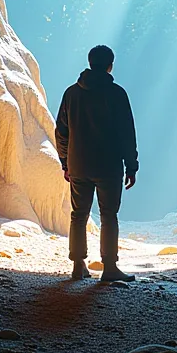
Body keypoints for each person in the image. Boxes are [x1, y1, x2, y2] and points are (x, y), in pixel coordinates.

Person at [54, 44, 138, 282]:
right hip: (109, 165)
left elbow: (61, 131)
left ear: (90, 63)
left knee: (78, 214)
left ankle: (78, 265)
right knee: (108, 215)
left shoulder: (71, 93)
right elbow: (127, 133)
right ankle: (109, 267)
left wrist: (65, 161)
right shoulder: (117, 94)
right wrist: (131, 165)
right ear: (110, 65)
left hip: (78, 163)